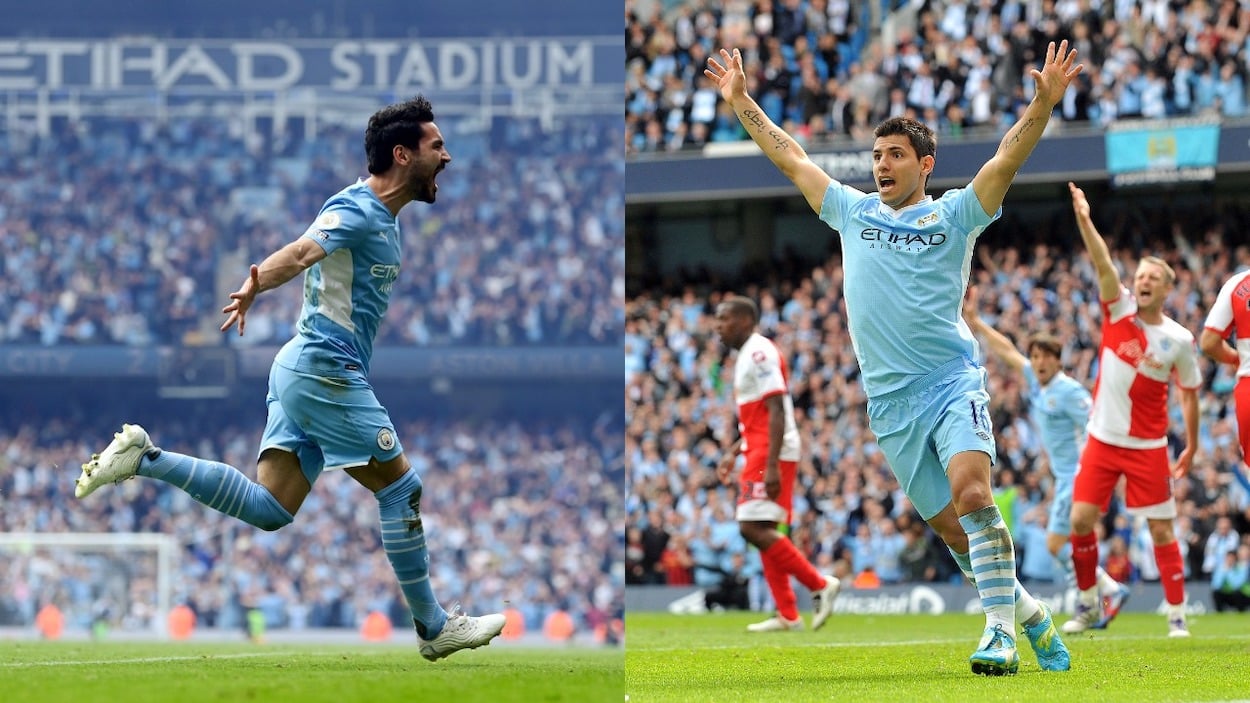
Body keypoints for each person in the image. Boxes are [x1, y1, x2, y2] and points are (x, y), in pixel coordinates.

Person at [74, 95, 506, 661]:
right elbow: (303, 251)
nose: (447, 157)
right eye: (437, 146)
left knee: (270, 508)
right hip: (324, 367)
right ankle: (433, 627)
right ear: (403, 154)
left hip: (305, 367)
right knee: (401, 488)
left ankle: (146, 458)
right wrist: (256, 283)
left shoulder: (384, 220)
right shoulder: (359, 209)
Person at [704, 40, 1083, 675]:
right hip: (890, 405)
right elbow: (791, 156)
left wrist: (1042, 105)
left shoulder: (958, 214)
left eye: (895, 156)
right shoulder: (852, 212)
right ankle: (1032, 615)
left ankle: (999, 635)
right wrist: (743, 102)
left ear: (924, 164)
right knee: (956, 537)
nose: (882, 164)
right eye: (878, 155)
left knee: (972, 494)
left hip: (950, 381)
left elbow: (1007, 155)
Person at [1062, 182, 1201, 638]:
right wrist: (1085, 220)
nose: (1142, 281)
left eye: (1152, 278)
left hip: (1147, 446)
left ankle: (1178, 615)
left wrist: (1192, 445)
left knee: (1162, 530)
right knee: (1080, 521)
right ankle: (1087, 604)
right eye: (1139, 275)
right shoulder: (1117, 308)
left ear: (1167, 289)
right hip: (1103, 439)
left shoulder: (1179, 341)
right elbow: (1103, 262)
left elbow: (1189, 393)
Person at [963, 294, 1131, 625]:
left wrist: (1100, 468)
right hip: (1063, 476)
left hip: (1078, 475)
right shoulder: (1037, 384)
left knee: (1057, 542)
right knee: (1059, 544)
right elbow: (1007, 351)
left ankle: (1092, 601)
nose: (1038, 362)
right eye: (1036, 356)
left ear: (1058, 361)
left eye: (1046, 357)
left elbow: (1097, 423)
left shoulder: (1068, 391)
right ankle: (1106, 589)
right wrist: (978, 322)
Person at [713, 295, 841, 632]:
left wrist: (769, 464)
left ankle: (819, 584)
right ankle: (788, 615)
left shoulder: (759, 353)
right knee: (763, 528)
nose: (717, 326)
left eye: (723, 319)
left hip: (772, 450)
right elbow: (758, 416)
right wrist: (735, 449)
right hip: (760, 447)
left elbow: (776, 408)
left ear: (743, 321)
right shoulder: (746, 356)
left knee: (750, 527)